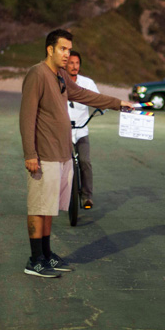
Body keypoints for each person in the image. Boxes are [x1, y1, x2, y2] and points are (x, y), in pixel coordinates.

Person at [19, 29, 132, 278]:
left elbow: (82, 94)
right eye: (63, 49)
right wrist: (30, 153)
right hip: (44, 153)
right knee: (39, 206)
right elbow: (26, 116)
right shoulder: (37, 74)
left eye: (69, 50)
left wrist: (117, 103)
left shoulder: (60, 75)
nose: (67, 55)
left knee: (50, 208)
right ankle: (34, 259)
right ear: (50, 49)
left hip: (62, 153)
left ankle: (46, 255)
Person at [66, 50, 100, 210]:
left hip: (81, 130)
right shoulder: (58, 82)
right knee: (60, 164)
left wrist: (101, 108)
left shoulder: (87, 83)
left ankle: (87, 196)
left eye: (77, 63)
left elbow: (98, 99)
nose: (74, 66)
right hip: (63, 132)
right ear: (65, 64)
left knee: (85, 161)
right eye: (71, 63)